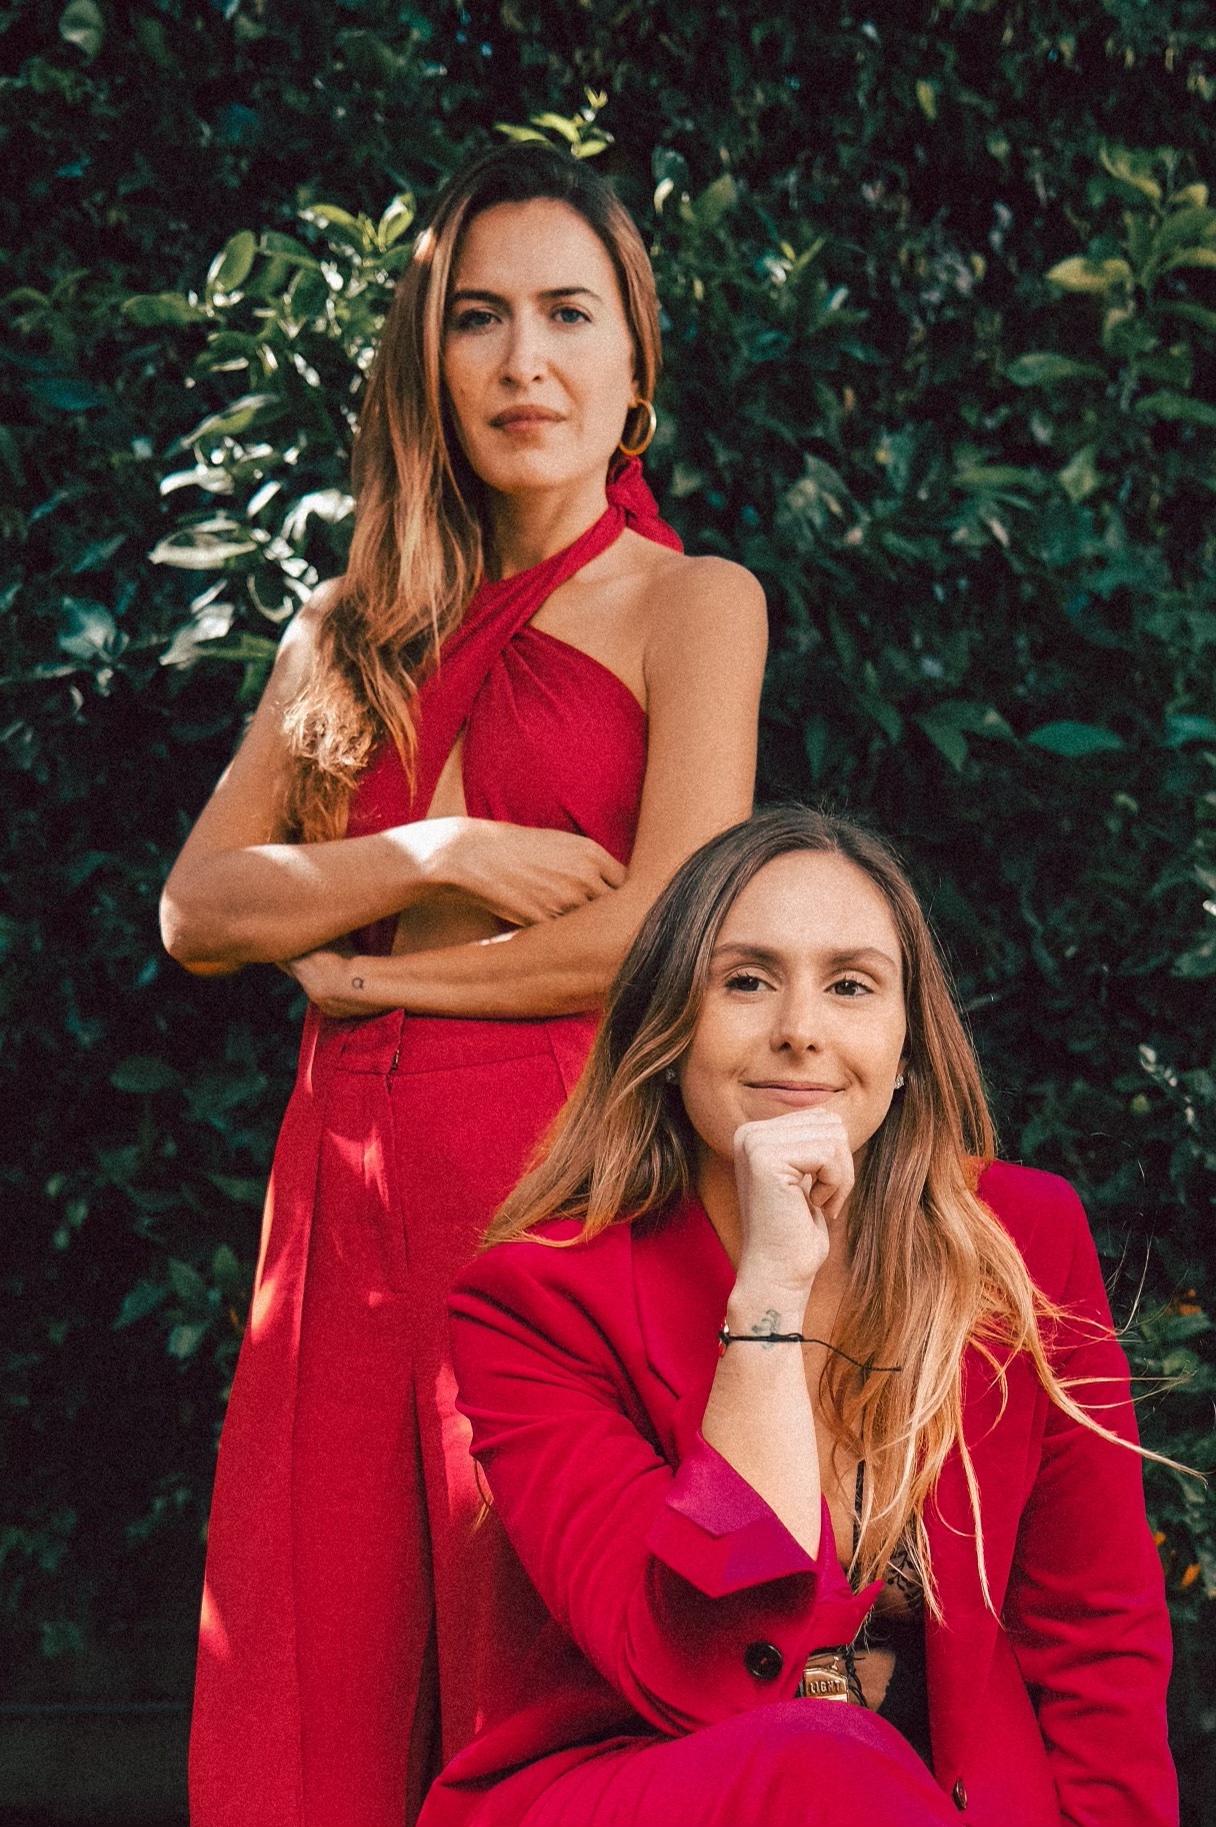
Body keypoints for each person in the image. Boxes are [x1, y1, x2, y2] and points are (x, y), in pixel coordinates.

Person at [160, 142, 766, 1827]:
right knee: (317, 1657)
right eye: (479, 318)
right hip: (337, 1205)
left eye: (569, 315)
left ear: (635, 361)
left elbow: (668, 930)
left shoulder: (698, 605)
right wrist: (437, 851)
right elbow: (201, 904)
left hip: (560, 1188)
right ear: (428, 359)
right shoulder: (348, 626)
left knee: (539, 1661)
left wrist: (372, 978)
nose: (524, 362)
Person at [430, 807, 1177, 1827]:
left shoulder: (1022, 1240)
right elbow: (694, 1666)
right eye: (746, 980)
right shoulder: (535, 1301)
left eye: (851, 985)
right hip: (651, 1788)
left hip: (930, 1803)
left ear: (907, 1046)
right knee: (817, 1756)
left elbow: (1096, 1636)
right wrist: (770, 1297)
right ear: (668, 1031)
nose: (800, 1027)